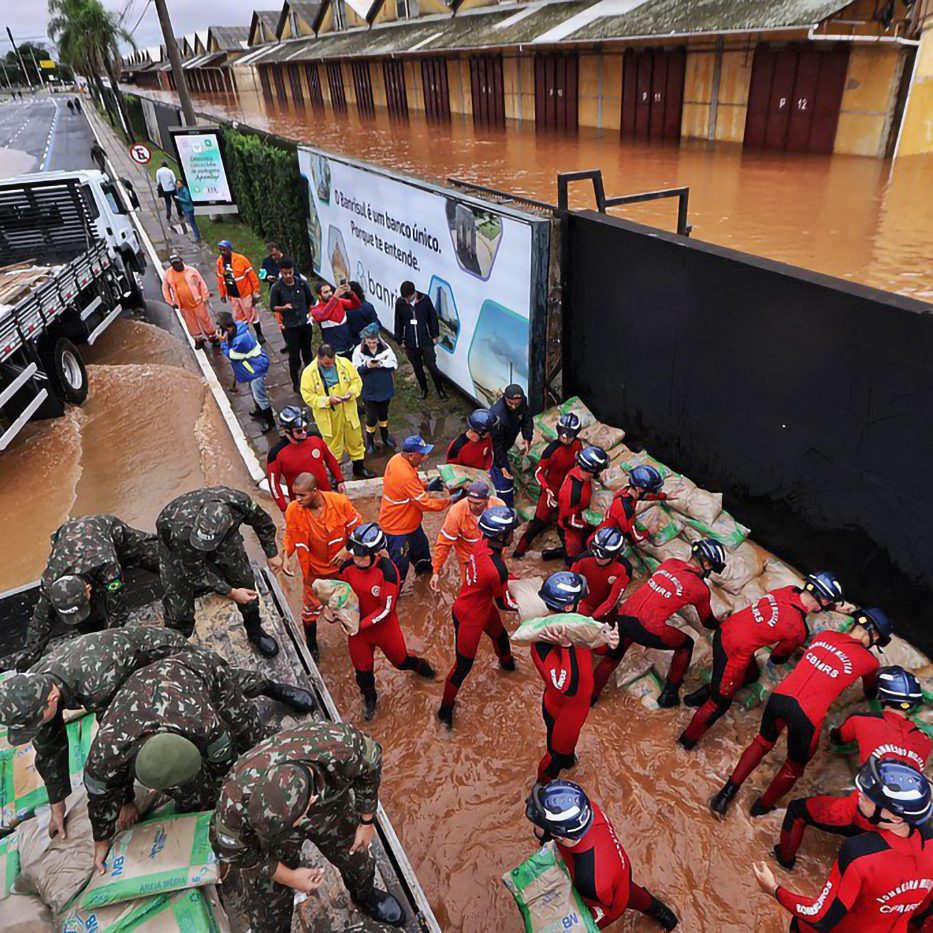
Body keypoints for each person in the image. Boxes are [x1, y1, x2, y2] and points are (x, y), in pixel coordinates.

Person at [0, 629, 314, 840]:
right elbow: (49, 747)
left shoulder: (97, 682)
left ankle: (271, 687)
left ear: (51, 701)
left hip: (166, 657)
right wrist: (58, 806)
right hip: (131, 676)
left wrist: (124, 801)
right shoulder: (35, 686)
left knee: (224, 689)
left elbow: (120, 739)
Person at [210, 722, 405, 931]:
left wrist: (366, 821)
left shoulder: (341, 746)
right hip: (272, 840)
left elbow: (372, 761)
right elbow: (236, 853)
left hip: (329, 807)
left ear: (312, 800)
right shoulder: (233, 803)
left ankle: (364, 896)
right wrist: (290, 877)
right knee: (268, 906)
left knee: (358, 858)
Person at [85, 652, 267, 873]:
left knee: (250, 734)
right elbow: (100, 797)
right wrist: (102, 838)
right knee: (196, 796)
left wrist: (233, 801)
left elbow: (226, 766)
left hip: (196, 670)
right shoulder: (106, 753)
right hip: (141, 692)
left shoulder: (205, 725)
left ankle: (270, 686)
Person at [710, 606, 891, 818]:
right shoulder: (870, 661)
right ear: (875, 635)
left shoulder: (825, 635)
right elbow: (870, 691)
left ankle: (725, 794)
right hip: (806, 715)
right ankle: (761, 809)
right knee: (794, 767)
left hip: (779, 698)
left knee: (761, 743)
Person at [775, 665, 930, 869]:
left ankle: (784, 861)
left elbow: (838, 738)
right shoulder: (925, 741)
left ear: (881, 696)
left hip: (859, 814)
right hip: (898, 827)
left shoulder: (862, 721)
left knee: (797, 810)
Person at [753, 759, 933, 930]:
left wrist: (774, 888)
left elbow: (820, 917)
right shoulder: (930, 842)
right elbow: (923, 909)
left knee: (801, 924)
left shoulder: (859, 852)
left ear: (896, 816)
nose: (860, 795)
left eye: (870, 797)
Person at [677, 572, 843, 750]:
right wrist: (798, 650)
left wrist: (831, 607)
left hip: (725, 632)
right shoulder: (798, 629)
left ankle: (695, 697)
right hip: (734, 652)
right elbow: (778, 658)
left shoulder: (789, 591)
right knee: (719, 704)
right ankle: (685, 742)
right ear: (824, 601)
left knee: (751, 674)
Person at [525, 780, 679, 931]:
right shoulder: (586, 810)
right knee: (632, 892)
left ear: (559, 835)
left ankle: (660, 913)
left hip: (607, 900)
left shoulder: (587, 879)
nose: (535, 825)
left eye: (539, 822)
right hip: (619, 867)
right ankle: (663, 914)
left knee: (624, 899)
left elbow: (597, 914)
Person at [591, 538, 726, 708]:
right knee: (686, 644)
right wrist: (722, 624)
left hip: (624, 615)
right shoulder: (700, 589)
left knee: (612, 658)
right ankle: (669, 694)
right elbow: (707, 621)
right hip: (647, 626)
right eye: (712, 567)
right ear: (706, 564)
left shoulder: (669, 563)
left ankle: (590, 697)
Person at [18, 514, 159, 671]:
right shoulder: (50, 582)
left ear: (88, 589)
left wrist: (105, 644)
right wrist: (25, 666)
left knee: (149, 554)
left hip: (103, 528)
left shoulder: (108, 569)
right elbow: (39, 624)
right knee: (86, 622)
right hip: (66, 533)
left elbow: (117, 611)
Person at [156, 485, 283, 658]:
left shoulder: (239, 502)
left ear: (230, 521)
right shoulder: (181, 531)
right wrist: (231, 592)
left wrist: (272, 553)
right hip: (183, 547)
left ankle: (255, 632)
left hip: (225, 541)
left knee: (246, 584)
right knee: (179, 608)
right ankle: (177, 649)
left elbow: (263, 523)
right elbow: (194, 572)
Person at [336, 523, 436, 720]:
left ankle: (425, 669)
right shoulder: (347, 568)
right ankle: (370, 699)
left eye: (361, 553)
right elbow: (341, 594)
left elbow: (386, 609)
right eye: (354, 552)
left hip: (383, 628)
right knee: (362, 674)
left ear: (375, 553)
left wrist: (360, 624)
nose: (356, 558)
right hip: (357, 633)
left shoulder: (388, 571)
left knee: (401, 662)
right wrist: (334, 611)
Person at [531, 572, 618, 780]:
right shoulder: (542, 643)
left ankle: (569, 761)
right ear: (569, 607)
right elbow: (566, 685)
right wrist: (566, 647)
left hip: (576, 707)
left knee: (566, 755)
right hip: (563, 713)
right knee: (555, 757)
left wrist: (609, 641)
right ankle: (541, 790)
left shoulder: (578, 624)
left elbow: (598, 650)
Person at [437, 506, 519, 729]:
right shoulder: (497, 569)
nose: (514, 534)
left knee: (501, 636)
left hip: (479, 605)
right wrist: (528, 605)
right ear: (501, 537)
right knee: (462, 667)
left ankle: (508, 667)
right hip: (470, 617)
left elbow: (492, 577)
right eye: (511, 531)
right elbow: (504, 603)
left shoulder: (481, 545)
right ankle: (444, 710)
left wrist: (511, 580)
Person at [283, 472, 362, 661]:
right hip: (314, 574)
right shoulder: (294, 510)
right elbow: (290, 534)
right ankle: (311, 644)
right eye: (295, 495)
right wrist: (286, 556)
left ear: (315, 491)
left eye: (302, 495)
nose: (297, 500)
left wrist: (346, 549)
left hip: (342, 571)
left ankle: (357, 635)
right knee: (310, 610)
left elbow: (359, 531)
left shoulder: (339, 503)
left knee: (351, 602)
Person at [379, 435, 449, 583]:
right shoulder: (405, 475)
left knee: (422, 554)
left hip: (411, 524)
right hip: (397, 529)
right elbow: (425, 504)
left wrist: (426, 486)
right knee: (399, 568)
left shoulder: (398, 460)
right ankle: (394, 594)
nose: (426, 457)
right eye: (422, 455)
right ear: (411, 455)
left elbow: (412, 485)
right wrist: (448, 501)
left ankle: (424, 577)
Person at [513, 413, 583, 559]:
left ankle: (567, 555)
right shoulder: (552, 450)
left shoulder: (578, 445)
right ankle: (518, 551)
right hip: (550, 490)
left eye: (569, 436)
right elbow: (538, 472)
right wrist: (547, 489)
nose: (565, 438)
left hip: (567, 489)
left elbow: (578, 464)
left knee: (565, 524)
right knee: (538, 522)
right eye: (562, 434)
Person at [300, 343, 374, 478]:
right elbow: (308, 397)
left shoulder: (344, 363)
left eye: (332, 362)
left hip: (348, 410)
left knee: (355, 440)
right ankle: (336, 476)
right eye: (327, 363)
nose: (330, 365)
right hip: (329, 415)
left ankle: (359, 468)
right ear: (319, 358)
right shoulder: (309, 373)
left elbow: (356, 382)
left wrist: (351, 393)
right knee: (333, 447)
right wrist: (328, 401)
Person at [430, 482, 505, 591]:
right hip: (468, 559)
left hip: (492, 557)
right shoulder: (456, 513)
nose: (472, 507)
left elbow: (506, 535)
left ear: (487, 499)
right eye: (469, 501)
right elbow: (444, 543)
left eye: (477, 503)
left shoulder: (499, 507)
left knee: (495, 588)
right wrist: (436, 571)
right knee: (470, 589)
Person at [267, 406, 344, 512]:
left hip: (326, 498)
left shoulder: (316, 438)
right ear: (287, 431)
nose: (304, 433)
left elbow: (330, 458)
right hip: (302, 507)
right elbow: (273, 484)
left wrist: (339, 480)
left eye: (305, 428)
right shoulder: (276, 454)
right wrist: (285, 508)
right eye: (299, 431)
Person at [217, 312, 275, 432]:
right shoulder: (238, 328)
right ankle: (260, 411)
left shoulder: (241, 339)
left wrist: (223, 342)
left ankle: (271, 423)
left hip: (255, 369)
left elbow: (232, 355)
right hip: (251, 366)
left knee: (260, 396)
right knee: (254, 391)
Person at [393, 280, 446, 400]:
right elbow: (398, 322)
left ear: (414, 293)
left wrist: (435, 335)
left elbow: (433, 318)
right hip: (410, 342)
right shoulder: (400, 303)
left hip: (425, 340)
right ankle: (424, 389)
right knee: (417, 367)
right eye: (404, 298)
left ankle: (440, 390)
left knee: (432, 365)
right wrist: (399, 338)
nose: (406, 301)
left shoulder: (425, 300)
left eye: (408, 298)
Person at [557, 445, 611, 564]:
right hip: (570, 532)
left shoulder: (579, 472)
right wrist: (593, 525)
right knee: (574, 559)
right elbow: (569, 521)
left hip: (579, 518)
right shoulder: (572, 493)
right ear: (592, 470)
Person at [269, 258, 315, 391]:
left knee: (307, 353)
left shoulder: (301, 284)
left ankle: (311, 379)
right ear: (281, 273)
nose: (288, 276)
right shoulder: (276, 288)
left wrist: (311, 314)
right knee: (294, 357)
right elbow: (273, 306)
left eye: (290, 273)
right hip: (290, 327)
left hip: (305, 324)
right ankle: (296, 382)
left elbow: (310, 300)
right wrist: (284, 308)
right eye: (285, 274)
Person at [352, 322, 398, 455]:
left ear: (378, 339)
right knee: (371, 418)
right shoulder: (358, 351)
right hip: (369, 390)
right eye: (369, 342)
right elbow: (355, 369)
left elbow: (394, 364)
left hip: (384, 388)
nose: (371, 345)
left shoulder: (386, 348)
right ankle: (370, 442)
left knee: (383, 415)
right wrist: (367, 366)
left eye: (374, 342)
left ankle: (385, 437)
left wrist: (381, 364)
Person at [597, 465, 668, 545]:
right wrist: (649, 532)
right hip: (605, 542)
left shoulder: (626, 491)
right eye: (651, 491)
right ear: (639, 489)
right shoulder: (626, 508)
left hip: (605, 532)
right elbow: (634, 538)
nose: (652, 493)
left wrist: (665, 496)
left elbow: (645, 496)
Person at [569, 527, 632, 618]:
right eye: (596, 552)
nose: (598, 558)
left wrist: (593, 618)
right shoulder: (582, 560)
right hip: (583, 606)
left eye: (603, 556)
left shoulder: (623, 569)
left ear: (615, 554)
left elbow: (611, 600)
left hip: (606, 611)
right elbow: (571, 585)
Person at [488, 384, 533, 507]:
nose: (513, 407)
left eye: (516, 404)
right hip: (495, 448)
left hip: (507, 441)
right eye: (510, 403)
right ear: (505, 398)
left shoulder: (522, 403)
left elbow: (527, 419)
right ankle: (503, 506)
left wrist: (527, 437)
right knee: (504, 481)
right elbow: (496, 444)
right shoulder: (497, 416)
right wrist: (501, 465)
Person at [216, 240, 265, 344]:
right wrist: (222, 293)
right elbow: (220, 278)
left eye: (224, 250)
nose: (222, 252)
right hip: (233, 295)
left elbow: (252, 276)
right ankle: (245, 335)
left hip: (245, 293)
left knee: (251, 314)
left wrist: (256, 291)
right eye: (220, 250)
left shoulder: (241, 259)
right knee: (239, 317)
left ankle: (259, 334)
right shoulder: (220, 262)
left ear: (230, 249)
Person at [162, 253, 214, 347]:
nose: (176, 265)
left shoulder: (191, 270)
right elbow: (165, 289)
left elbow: (201, 283)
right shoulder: (168, 274)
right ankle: (198, 340)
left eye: (178, 263)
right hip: (183, 306)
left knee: (205, 320)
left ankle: (212, 337)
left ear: (181, 261)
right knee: (191, 324)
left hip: (198, 302)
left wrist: (204, 296)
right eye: (174, 264)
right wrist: (171, 302)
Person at [310, 280, 360, 358]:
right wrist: (335, 297)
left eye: (330, 291)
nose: (330, 294)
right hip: (334, 349)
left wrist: (350, 293)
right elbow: (323, 315)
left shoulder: (339, 301)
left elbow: (357, 305)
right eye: (326, 292)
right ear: (319, 295)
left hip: (348, 343)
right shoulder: (316, 309)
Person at [347, 281, 379, 347]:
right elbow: (376, 323)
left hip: (353, 343)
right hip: (369, 340)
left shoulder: (346, 309)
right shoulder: (368, 306)